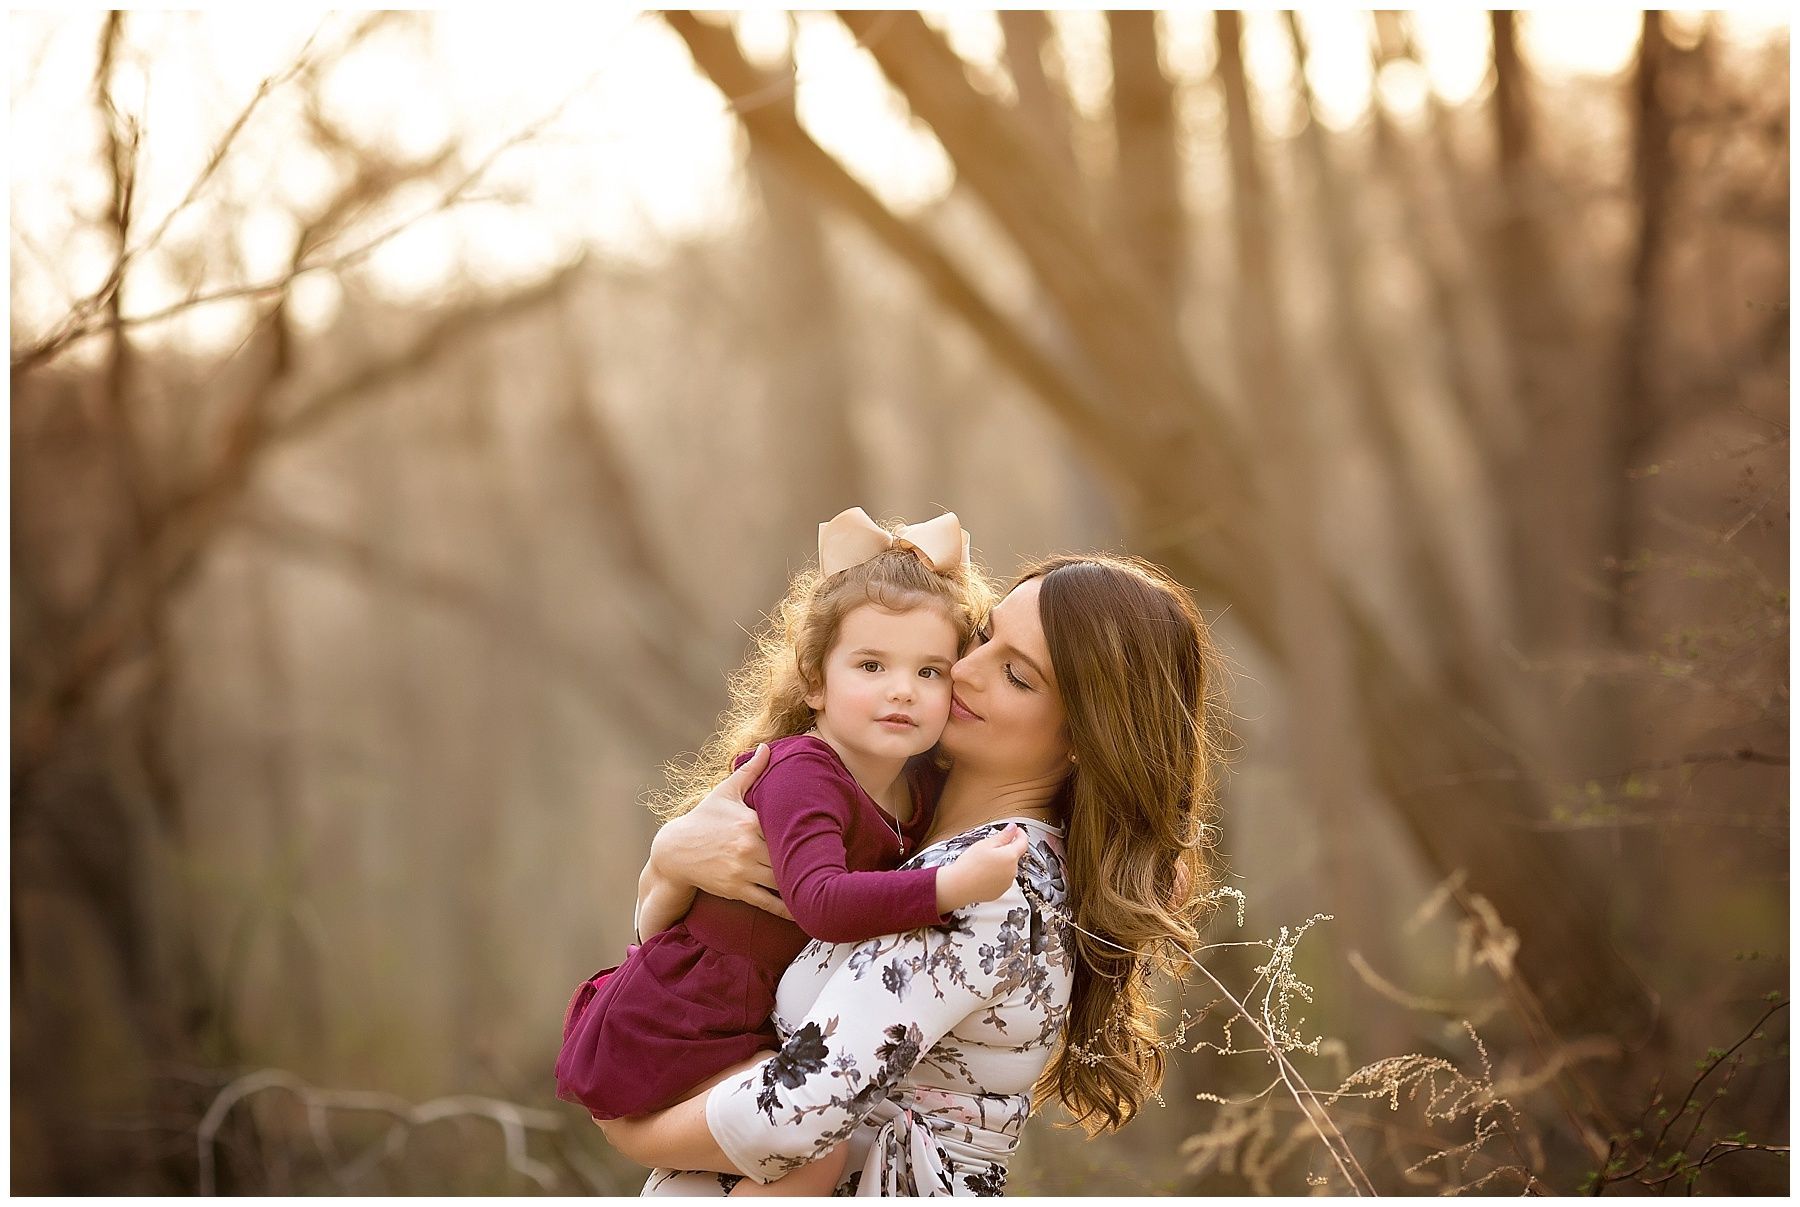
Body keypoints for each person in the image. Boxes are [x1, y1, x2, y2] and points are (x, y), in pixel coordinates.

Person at [598, 553, 1230, 1196]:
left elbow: (795, 1116)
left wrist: (625, 1124)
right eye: (983, 637)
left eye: (1015, 675)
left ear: (1085, 736)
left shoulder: (989, 886)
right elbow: (697, 954)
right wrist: (670, 860)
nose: (965, 670)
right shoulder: (890, 820)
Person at [554, 508, 1030, 1197]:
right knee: (810, 1154)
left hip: (742, 1026)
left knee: (802, 1143)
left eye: (930, 671)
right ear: (815, 681)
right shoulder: (805, 773)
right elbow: (822, 902)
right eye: (871, 664)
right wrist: (952, 886)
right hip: (680, 1025)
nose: (903, 688)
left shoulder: (914, 783)